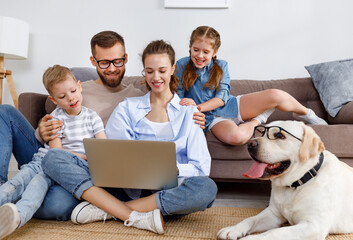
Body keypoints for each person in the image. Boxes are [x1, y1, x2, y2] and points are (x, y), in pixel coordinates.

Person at [0, 31, 206, 221]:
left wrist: (196, 111)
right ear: (93, 61)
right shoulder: (78, 90)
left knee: (55, 206)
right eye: (104, 63)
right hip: (56, 154)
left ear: (125, 59)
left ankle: (104, 208)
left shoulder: (136, 96)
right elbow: (54, 117)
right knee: (5, 112)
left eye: (117, 61)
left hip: (89, 165)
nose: (112, 68)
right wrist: (40, 132)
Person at [42, 40, 217, 234]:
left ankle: (108, 210)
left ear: (173, 69)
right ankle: (133, 212)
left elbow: (201, 167)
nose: (156, 77)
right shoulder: (127, 107)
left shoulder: (188, 112)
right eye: (149, 71)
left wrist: (173, 169)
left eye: (162, 70)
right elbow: (113, 157)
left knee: (206, 188)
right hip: (123, 188)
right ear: (144, 72)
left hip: (171, 190)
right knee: (53, 160)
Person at [0, 65, 106, 239]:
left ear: (79, 86)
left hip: (58, 169)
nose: (71, 98)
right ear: (54, 100)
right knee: (16, 183)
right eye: (63, 96)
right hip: (41, 162)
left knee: (35, 188)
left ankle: (16, 218)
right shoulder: (56, 118)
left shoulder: (92, 117)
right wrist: (84, 157)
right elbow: (55, 152)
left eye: (73, 91)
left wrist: (89, 159)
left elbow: (102, 148)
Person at [176, 26, 328, 146]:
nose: (200, 56)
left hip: (230, 105)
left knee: (276, 95)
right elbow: (178, 95)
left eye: (206, 52)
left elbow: (222, 98)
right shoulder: (181, 65)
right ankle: (259, 118)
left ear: (214, 52)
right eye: (196, 50)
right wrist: (189, 107)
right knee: (237, 137)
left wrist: (198, 107)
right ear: (190, 48)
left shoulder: (222, 66)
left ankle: (307, 113)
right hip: (211, 119)